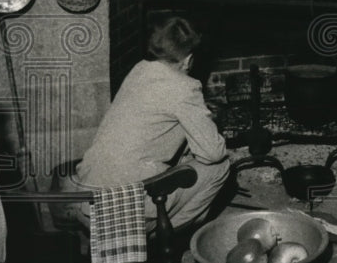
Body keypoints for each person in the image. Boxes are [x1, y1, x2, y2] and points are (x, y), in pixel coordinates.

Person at [75, 15, 230, 232]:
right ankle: (165, 235)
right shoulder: (185, 87)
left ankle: (159, 230)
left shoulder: (139, 69)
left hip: (89, 196)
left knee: (184, 158)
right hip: (123, 208)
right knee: (219, 167)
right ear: (188, 59)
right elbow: (213, 153)